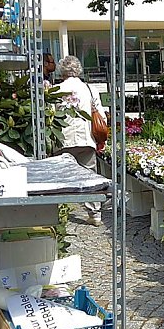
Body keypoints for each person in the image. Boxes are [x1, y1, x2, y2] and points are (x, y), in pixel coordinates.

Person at [56, 55, 106, 226]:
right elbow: (101, 114)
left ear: (62, 71)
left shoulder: (56, 90)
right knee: (89, 175)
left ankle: (59, 213)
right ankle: (95, 213)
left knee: (61, 177)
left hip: (63, 139)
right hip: (87, 138)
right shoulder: (90, 89)